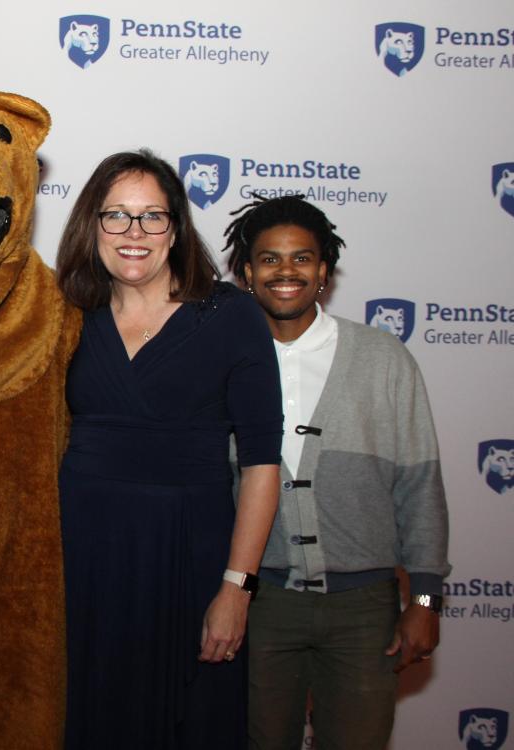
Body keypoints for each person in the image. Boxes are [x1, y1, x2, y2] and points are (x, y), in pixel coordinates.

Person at [55, 150, 282, 749]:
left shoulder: (230, 316)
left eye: (152, 217)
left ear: (176, 228)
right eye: (117, 217)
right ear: (91, 225)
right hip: (81, 564)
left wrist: (237, 589)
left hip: (191, 563)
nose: (134, 234)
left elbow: (262, 464)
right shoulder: (66, 315)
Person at [222, 194, 450, 750]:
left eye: (302, 258)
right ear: (247, 272)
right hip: (259, 605)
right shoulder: (221, 360)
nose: (286, 272)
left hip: (363, 611)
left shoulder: (383, 357)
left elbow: (420, 485)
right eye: (269, 259)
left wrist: (423, 601)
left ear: (324, 270)